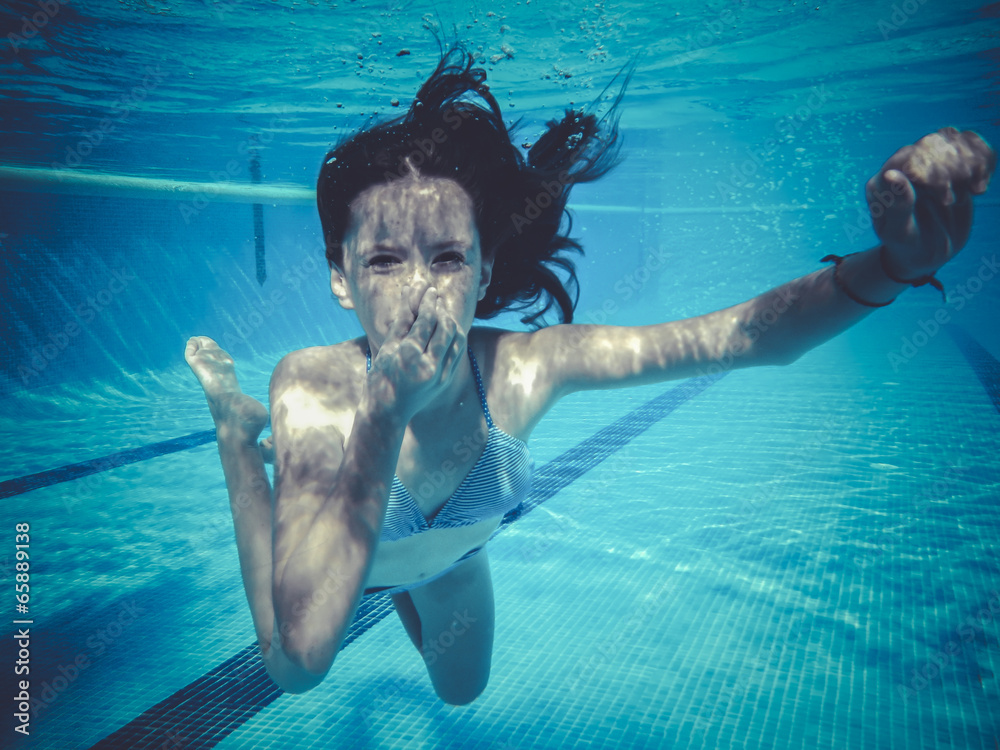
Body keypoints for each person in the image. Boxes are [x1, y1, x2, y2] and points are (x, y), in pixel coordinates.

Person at [184, 45, 995, 703]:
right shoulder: (312, 386)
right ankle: (232, 433)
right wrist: (383, 416)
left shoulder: (524, 369)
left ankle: (402, 578)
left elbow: (740, 337)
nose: (420, 291)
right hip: (338, 561)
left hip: (452, 558)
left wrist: (893, 267)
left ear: (487, 267)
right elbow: (309, 651)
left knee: (461, 693)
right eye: (385, 260)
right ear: (340, 276)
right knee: (289, 669)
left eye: (449, 257)